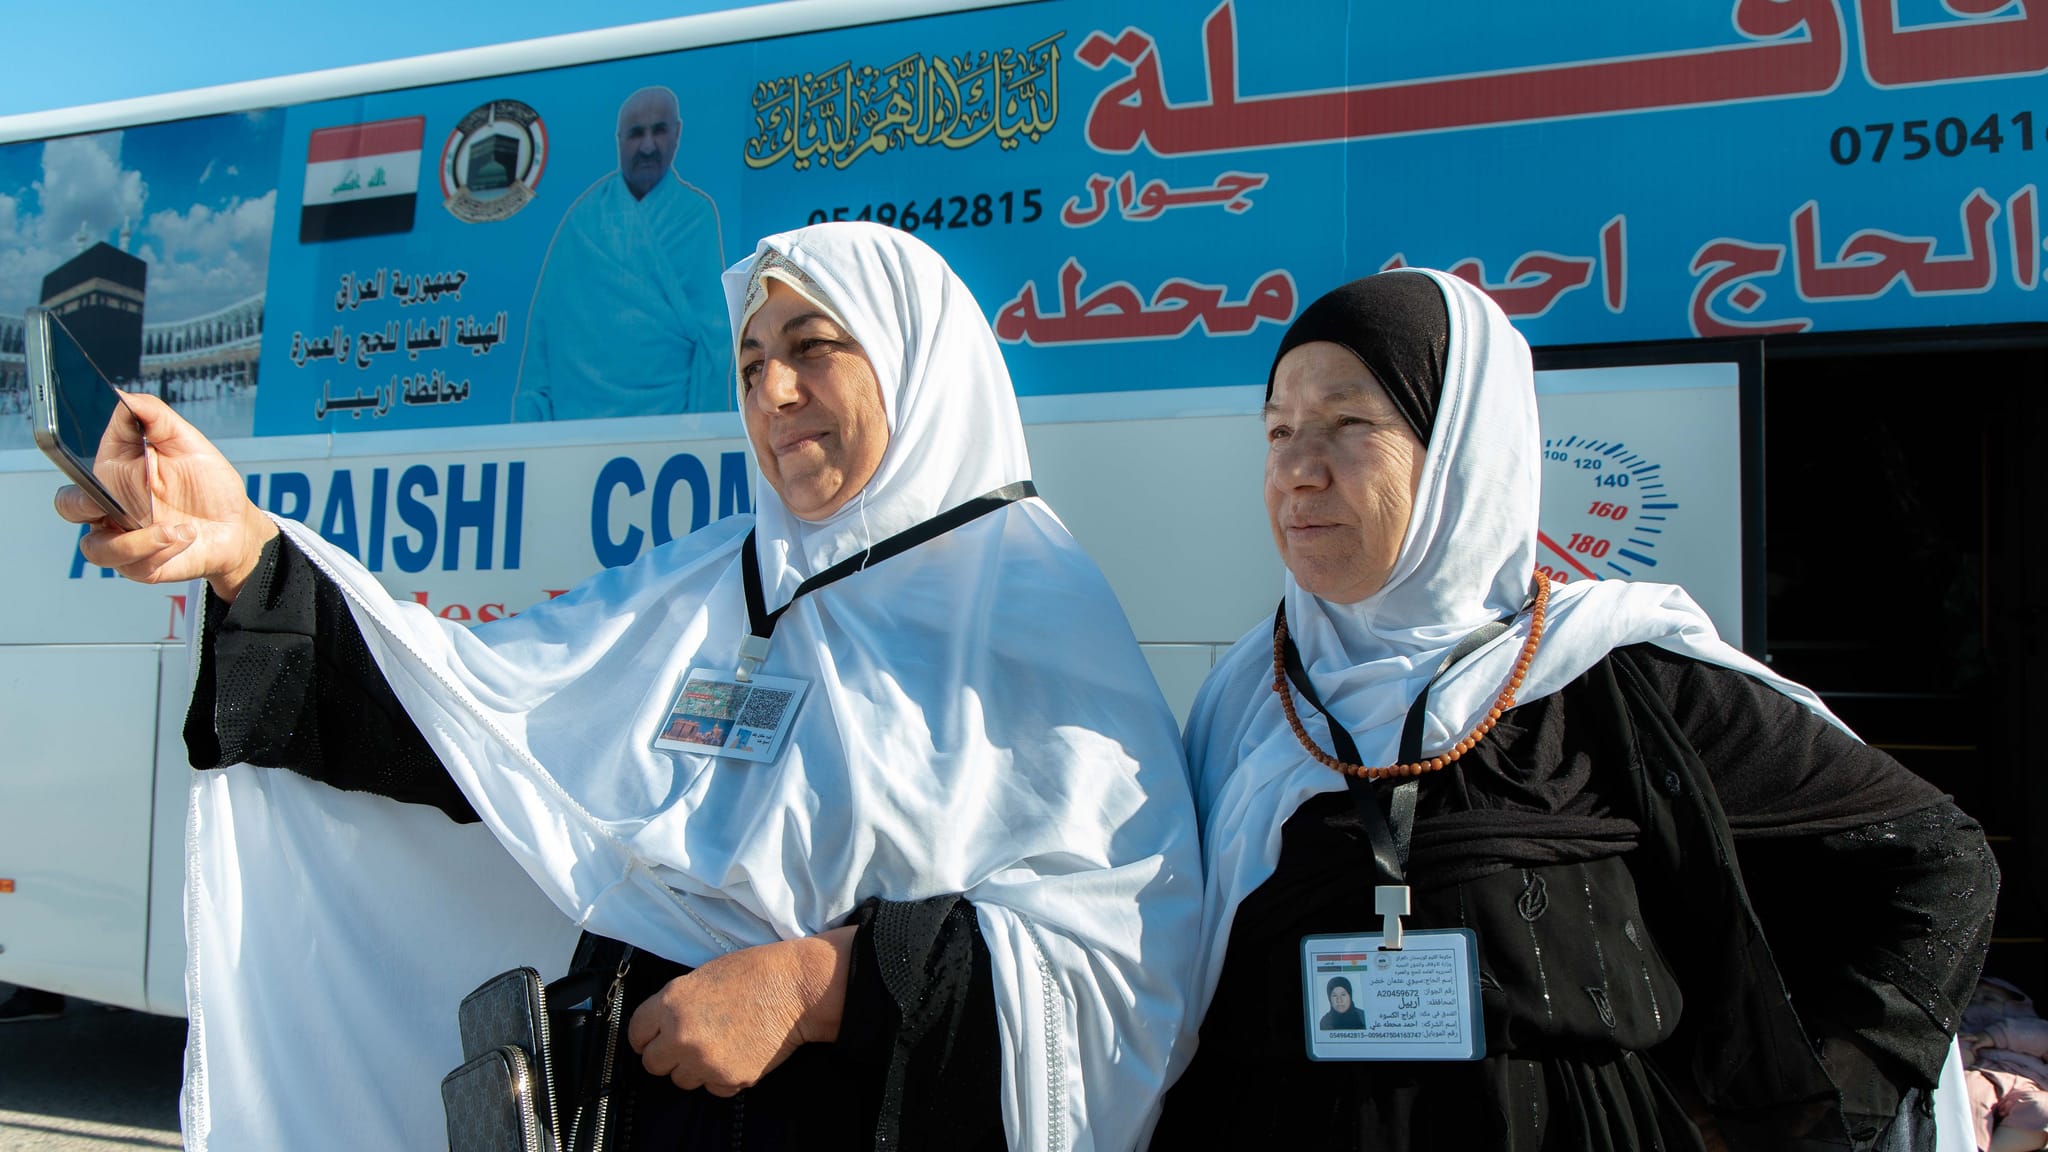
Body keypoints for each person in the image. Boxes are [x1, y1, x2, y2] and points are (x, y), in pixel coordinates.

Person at [60, 222, 1202, 1150]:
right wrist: (249, 553)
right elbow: (476, 725)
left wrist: (816, 984)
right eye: (751, 365)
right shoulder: (705, 585)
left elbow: (1114, 968)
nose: (774, 390)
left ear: (916, 361)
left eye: (813, 346)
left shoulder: (1030, 619)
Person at [1153, 269, 1998, 1150]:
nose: (1296, 469)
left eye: (1349, 422)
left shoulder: (1614, 677)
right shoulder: (1251, 700)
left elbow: (1937, 866)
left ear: (1460, 450)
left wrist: (1811, 1111)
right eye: (1279, 429)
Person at [512, 85, 732, 421]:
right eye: (636, 134)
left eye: (659, 131)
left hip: (670, 431)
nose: (648, 146)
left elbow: (715, 340)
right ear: (618, 140)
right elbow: (545, 330)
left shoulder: (696, 215)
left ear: (677, 134)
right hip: (578, 432)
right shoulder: (583, 221)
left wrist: (703, 434)